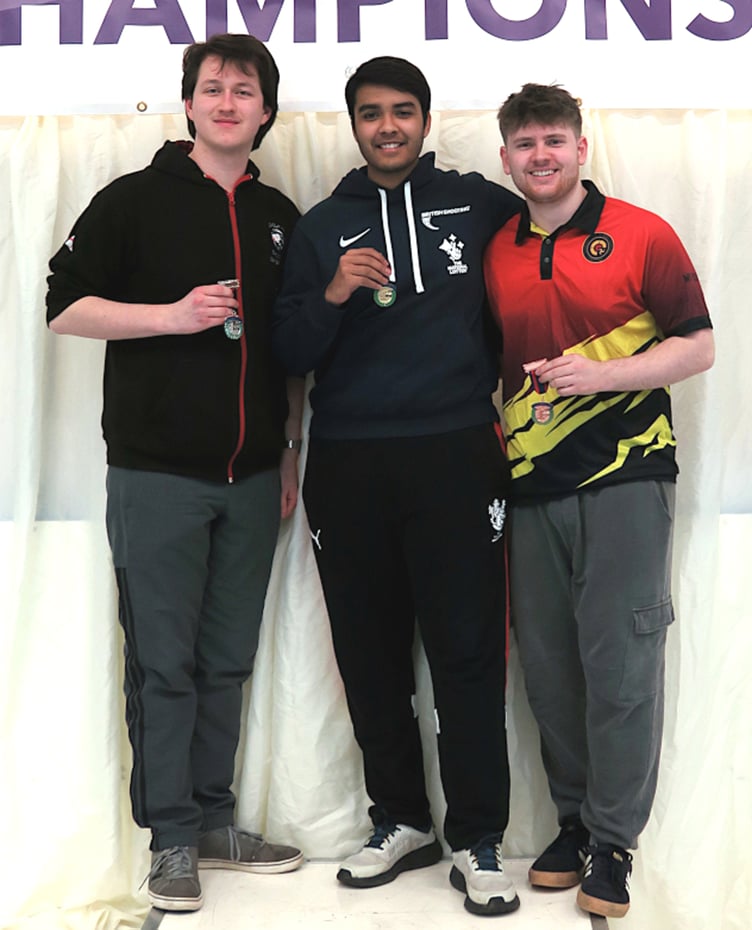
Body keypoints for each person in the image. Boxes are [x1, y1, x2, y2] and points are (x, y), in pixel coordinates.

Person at [46, 33, 305, 913]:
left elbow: (292, 358)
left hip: (253, 478)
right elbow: (65, 307)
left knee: (226, 660)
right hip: (156, 476)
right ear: (188, 103)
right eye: (212, 88)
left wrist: (287, 456)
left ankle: (216, 822)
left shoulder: (282, 220)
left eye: (245, 90)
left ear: (266, 111)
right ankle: (170, 842)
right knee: (164, 665)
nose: (228, 101)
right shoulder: (131, 201)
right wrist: (172, 315)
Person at [272, 57, 522, 918]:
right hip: (350, 463)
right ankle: (401, 820)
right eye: (372, 113)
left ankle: (479, 838)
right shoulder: (319, 227)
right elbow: (289, 352)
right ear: (353, 124)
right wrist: (336, 291)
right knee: (369, 655)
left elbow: (543, 245)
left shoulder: (481, 202)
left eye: (403, 112)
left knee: (466, 652)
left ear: (425, 119)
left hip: (456, 449)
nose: (388, 126)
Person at [483, 83, 714, 919]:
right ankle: (575, 822)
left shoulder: (643, 233)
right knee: (548, 672)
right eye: (524, 144)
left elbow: (700, 347)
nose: (540, 156)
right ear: (504, 156)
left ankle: (614, 843)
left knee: (620, 669)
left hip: (627, 478)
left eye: (554, 140)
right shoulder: (497, 246)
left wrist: (605, 375)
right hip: (531, 487)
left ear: (581, 149)